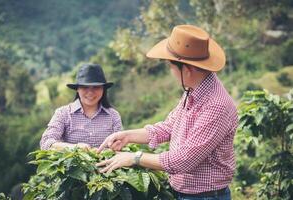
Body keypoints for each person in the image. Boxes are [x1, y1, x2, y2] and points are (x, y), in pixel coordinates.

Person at [96, 25, 238, 200]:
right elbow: (169, 127)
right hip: (182, 193)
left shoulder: (216, 106)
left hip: (205, 196)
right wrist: (128, 135)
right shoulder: (193, 90)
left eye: (171, 67)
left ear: (186, 69)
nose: (171, 72)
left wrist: (135, 158)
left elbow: (184, 160)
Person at [40, 63, 122, 150]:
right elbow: (46, 142)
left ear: (103, 89)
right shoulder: (63, 113)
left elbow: (121, 143)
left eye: (96, 87)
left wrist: (116, 146)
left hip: (107, 163)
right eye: (85, 87)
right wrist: (74, 147)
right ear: (77, 89)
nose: (90, 92)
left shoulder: (113, 115)